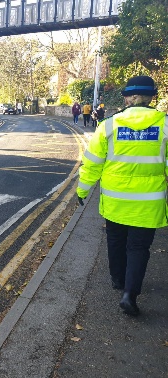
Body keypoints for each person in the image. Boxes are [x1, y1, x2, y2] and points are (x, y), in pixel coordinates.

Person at [77, 75, 168, 316]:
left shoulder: (108, 125)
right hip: (148, 203)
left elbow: (93, 162)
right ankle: (130, 293)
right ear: (151, 98)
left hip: (116, 200)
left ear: (127, 97)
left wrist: (82, 190)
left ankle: (118, 280)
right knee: (139, 247)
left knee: (116, 240)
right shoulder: (165, 125)